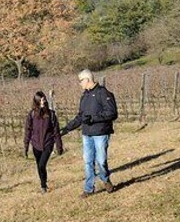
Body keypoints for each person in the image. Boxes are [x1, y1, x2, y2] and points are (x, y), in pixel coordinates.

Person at [60, 69, 118, 198]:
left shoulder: (103, 93)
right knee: (88, 161)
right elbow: (80, 117)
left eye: (80, 81)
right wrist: (66, 129)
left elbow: (112, 113)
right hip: (87, 134)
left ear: (87, 79)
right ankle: (88, 188)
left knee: (101, 160)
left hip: (100, 133)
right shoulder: (84, 96)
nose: (80, 83)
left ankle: (105, 179)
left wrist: (93, 118)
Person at [23, 90, 64, 193]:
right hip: (36, 144)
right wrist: (26, 146)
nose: (43, 102)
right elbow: (28, 130)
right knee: (39, 166)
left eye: (44, 100)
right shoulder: (32, 115)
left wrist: (59, 146)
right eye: (40, 100)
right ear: (36, 101)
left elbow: (56, 131)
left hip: (47, 143)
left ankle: (43, 184)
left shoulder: (51, 114)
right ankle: (43, 184)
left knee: (42, 164)